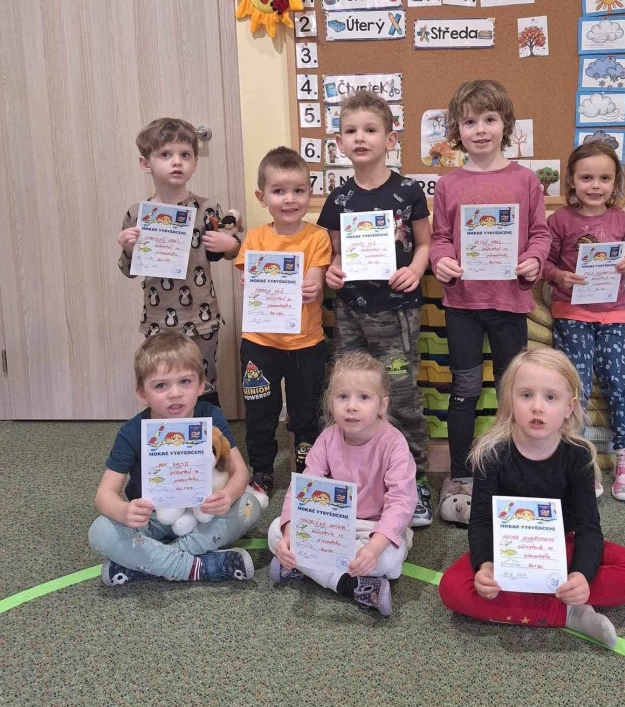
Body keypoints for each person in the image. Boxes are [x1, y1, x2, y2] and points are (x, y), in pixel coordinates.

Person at [438, 347, 625, 645]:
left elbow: (589, 528)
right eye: (526, 395)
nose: (537, 407)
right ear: (509, 400)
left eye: (551, 397)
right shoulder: (491, 453)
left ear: (569, 406)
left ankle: (541, 601)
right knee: (452, 588)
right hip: (508, 554)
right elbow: (481, 523)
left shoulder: (578, 456)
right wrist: (485, 567)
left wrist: (581, 575)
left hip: (563, 549)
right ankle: (569, 614)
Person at [429, 79, 550, 522]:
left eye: (489, 119)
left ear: (506, 125)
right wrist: (441, 261)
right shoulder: (448, 184)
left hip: (509, 303)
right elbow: (440, 238)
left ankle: (512, 468)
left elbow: (540, 234)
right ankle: (460, 474)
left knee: (509, 389)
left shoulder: (525, 180)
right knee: (464, 390)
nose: (480, 129)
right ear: (457, 131)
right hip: (463, 305)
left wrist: (534, 260)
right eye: (469, 122)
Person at [319, 91, 433, 527]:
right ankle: (351, 482)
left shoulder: (407, 191)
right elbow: (333, 254)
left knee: (399, 397)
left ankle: (415, 481)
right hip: (351, 312)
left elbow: (424, 243)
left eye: (370, 130)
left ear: (390, 139)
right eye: (351, 131)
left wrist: (417, 269)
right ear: (339, 143)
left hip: (397, 311)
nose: (360, 138)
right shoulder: (338, 199)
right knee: (349, 394)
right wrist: (332, 272)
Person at [88, 332, 261, 585]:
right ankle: (195, 567)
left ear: (201, 384)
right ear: (142, 393)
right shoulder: (132, 432)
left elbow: (240, 472)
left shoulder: (211, 416)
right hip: (152, 521)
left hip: (203, 515)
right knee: (100, 531)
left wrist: (227, 495)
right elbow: (104, 495)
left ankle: (151, 563)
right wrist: (124, 512)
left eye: (185, 382)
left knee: (249, 505)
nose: (175, 393)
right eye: (161, 386)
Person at [268, 351, 417, 616]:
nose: (351, 406)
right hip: (333, 525)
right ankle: (351, 585)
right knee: (275, 532)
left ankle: (307, 568)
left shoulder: (394, 444)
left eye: (364, 397)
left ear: (382, 405)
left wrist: (375, 547)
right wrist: (291, 534)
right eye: (343, 397)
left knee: (388, 559)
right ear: (331, 402)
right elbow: (303, 489)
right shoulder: (327, 438)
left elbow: (401, 502)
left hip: (374, 528)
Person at [544, 141, 625, 501]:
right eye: (586, 177)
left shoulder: (623, 220)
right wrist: (559, 276)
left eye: (605, 178)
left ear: (615, 182)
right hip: (572, 313)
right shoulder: (560, 221)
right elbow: (544, 263)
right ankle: (580, 461)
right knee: (577, 386)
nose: (595, 185)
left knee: (619, 383)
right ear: (571, 181)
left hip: (614, 314)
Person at [117, 117, 242, 405]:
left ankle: (208, 431)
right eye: (165, 154)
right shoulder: (137, 214)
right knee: (162, 378)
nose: (177, 162)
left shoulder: (208, 209)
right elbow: (128, 270)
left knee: (202, 381)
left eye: (185, 155)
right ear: (145, 163)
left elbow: (229, 251)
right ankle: (166, 432)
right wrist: (128, 248)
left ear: (195, 162)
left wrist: (231, 244)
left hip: (201, 315)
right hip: (157, 317)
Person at [235, 147, 331, 496]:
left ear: (310, 193)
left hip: (306, 344)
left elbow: (317, 279)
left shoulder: (317, 236)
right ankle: (261, 470)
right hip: (260, 343)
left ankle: (308, 471)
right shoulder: (255, 237)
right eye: (278, 191)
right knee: (260, 412)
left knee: (307, 414)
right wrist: (249, 280)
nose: (289, 199)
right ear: (262, 197)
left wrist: (313, 286)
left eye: (298, 190)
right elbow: (248, 276)